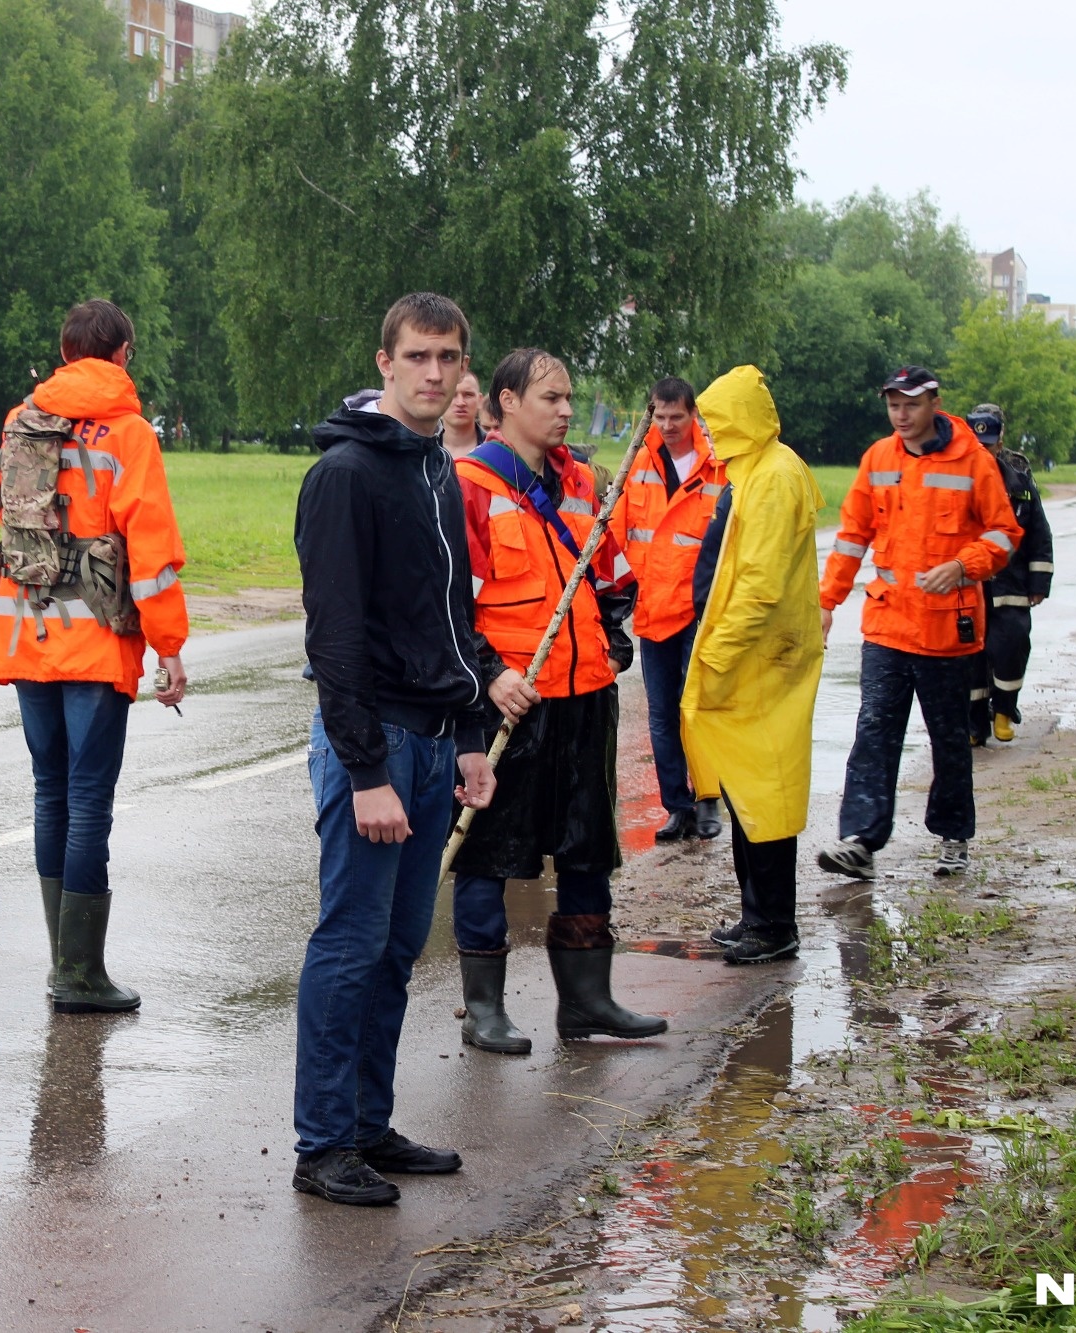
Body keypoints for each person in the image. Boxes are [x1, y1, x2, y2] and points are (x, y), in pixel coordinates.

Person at [291, 292, 496, 1207]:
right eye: (416, 356)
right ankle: (323, 1142)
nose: (433, 373)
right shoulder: (346, 473)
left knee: (399, 944)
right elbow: (333, 637)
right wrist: (367, 772)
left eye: (447, 358)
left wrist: (472, 737)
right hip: (369, 747)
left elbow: (451, 619)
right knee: (350, 940)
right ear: (383, 362)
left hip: (433, 742)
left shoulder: (434, 470)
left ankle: (368, 1123)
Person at [451, 346, 664, 1055]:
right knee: (488, 850)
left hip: (586, 696)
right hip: (513, 699)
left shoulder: (583, 483)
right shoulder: (470, 485)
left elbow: (610, 576)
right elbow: (450, 603)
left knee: (586, 849)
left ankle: (586, 1001)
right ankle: (484, 1008)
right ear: (506, 402)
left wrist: (613, 632)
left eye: (569, 397)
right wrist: (488, 673)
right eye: (551, 398)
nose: (566, 410)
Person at [0, 299, 189, 1013]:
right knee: (88, 798)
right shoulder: (128, 433)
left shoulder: (21, 420)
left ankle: (62, 963)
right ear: (123, 354)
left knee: (51, 791)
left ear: (65, 351)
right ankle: (79, 972)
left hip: (24, 627)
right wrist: (169, 647)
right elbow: (152, 552)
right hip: (97, 639)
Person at [817, 367, 1022, 881]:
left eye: (910, 405)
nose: (901, 416)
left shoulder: (973, 461)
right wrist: (826, 602)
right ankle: (861, 840)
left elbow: (1004, 534)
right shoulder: (878, 459)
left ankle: (954, 837)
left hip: (945, 632)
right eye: (893, 406)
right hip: (886, 625)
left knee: (949, 739)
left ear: (934, 402)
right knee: (874, 732)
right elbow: (850, 537)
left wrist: (964, 565)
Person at [680, 366, 824, 964]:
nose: (707, 434)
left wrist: (717, 652)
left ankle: (774, 924)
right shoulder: (759, 470)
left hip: (763, 662)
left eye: (714, 422)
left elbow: (760, 586)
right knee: (748, 792)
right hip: (756, 660)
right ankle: (756, 916)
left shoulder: (772, 477)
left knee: (766, 796)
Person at [609, 376, 728, 842]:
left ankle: (708, 801)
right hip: (655, 610)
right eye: (660, 417)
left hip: (702, 611)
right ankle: (677, 806)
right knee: (662, 715)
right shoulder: (638, 464)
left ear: (693, 414)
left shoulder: (717, 467)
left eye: (676, 417)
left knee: (698, 711)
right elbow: (617, 533)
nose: (668, 425)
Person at [963, 405, 1053, 745]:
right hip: (970, 583)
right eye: (978, 443)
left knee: (1011, 647)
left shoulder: (1018, 476)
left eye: (990, 442)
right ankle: (974, 724)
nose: (984, 450)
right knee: (971, 658)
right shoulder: (958, 474)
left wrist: (1039, 582)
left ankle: (1003, 711)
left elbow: (1038, 532)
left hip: (1010, 583)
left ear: (1000, 438)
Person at [442, 369, 483, 458]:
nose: (460, 403)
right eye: (452, 395)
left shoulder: (496, 450)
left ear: (480, 400)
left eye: (468, 395)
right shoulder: (420, 449)